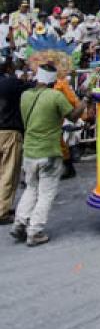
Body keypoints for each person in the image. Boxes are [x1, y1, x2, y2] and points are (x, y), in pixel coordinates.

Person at [10, 63, 90, 246]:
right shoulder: (55, 96)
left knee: (31, 188)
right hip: (49, 152)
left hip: (29, 151)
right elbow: (73, 115)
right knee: (46, 193)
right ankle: (35, 231)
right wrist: (85, 99)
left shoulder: (25, 96)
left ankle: (20, 223)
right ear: (53, 81)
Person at [0, 56, 35, 223]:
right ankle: (2, 211)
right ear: (8, 68)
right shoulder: (10, 83)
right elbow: (33, 86)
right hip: (9, 132)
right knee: (8, 173)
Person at [8, 1, 33, 65]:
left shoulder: (30, 15)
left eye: (26, 6)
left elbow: (33, 27)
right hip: (16, 42)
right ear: (19, 7)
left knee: (27, 60)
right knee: (15, 62)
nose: (25, 8)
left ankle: (24, 73)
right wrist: (11, 42)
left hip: (27, 42)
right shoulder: (13, 15)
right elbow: (10, 29)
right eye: (24, 6)